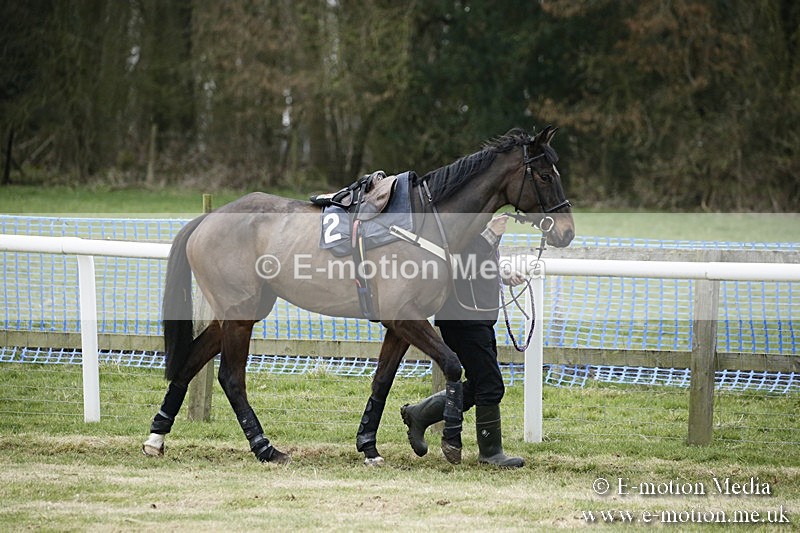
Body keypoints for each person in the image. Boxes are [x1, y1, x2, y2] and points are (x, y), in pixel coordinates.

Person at [401, 214, 525, 467]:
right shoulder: (461, 223)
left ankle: (419, 414)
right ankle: (490, 453)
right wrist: (490, 235)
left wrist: (503, 274)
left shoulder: (476, 221)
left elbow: (479, 264)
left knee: (480, 384)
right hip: (464, 319)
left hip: (474, 317)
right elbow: (458, 267)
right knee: (490, 385)